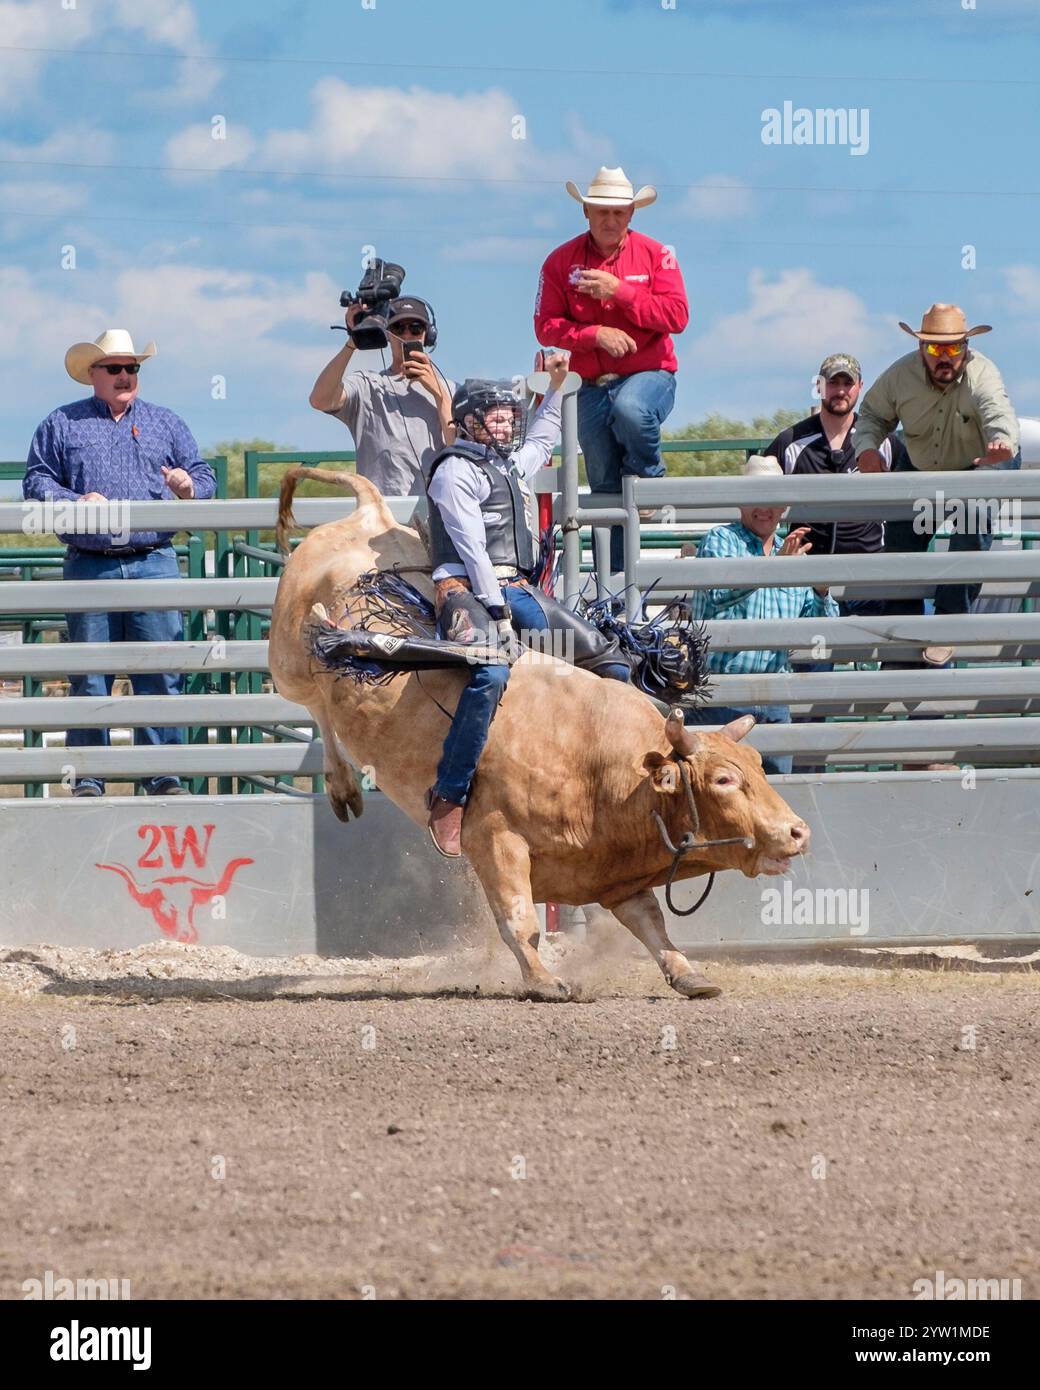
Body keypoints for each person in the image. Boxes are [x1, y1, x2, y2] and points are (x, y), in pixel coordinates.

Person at [424, 357, 631, 856]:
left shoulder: (510, 466)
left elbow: (547, 430)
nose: (506, 422)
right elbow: (471, 549)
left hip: (515, 589)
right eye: (494, 415)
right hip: (464, 591)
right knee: (490, 675)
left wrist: (558, 386)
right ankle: (450, 794)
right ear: (470, 422)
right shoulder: (455, 470)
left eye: (508, 415)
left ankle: (599, 779)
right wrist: (495, 613)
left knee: (611, 659)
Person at [23, 328, 216, 797]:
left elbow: (204, 475)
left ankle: (163, 776)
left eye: (133, 368)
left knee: (162, 674)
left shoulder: (166, 423)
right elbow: (36, 481)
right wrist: (74, 499)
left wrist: (188, 487)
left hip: (154, 557)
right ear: (94, 374)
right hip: (91, 562)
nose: (126, 375)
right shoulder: (61, 423)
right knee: (90, 677)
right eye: (115, 368)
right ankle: (89, 777)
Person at [534, 166, 688, 574]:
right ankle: (614, 587)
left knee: (632, 412)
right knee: (603, 484)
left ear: (632, 215)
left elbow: (677, 316)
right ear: (586, 212)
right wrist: (595, 334)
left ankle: (650, 480)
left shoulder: (658, 255)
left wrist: (619, 292)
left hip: (649, 375)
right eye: (602, 211)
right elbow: (544, 324)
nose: (610, 219)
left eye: (619, 212)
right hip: (588, 386)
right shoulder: (558, 262)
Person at [854, 303, 1020, 650]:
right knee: (900, 541)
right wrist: (867, 449)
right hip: (921, 467)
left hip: (978, 462)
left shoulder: (982, 374)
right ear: (920, 349)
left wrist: (1002, 442)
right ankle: (904, 638)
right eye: (934, 348)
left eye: (953, 348)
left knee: (973, 523)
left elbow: (997, 411)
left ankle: (948, 624)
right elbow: (871, 414)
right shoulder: (900, 376)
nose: (944, 356)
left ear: (966, 348)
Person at [686, 456, 839, 776]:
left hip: (774, 699)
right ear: (741, 500)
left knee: (775, 803)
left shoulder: (791, 552)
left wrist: (822, 592)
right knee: (719, 800)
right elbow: (718, 594)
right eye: (756, 497)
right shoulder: (720, 540)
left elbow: (817, 628)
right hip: (722, 695)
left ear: (783, 507)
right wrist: (774, 570)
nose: (764, 508)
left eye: (772, 499)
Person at [309, 295, 455, 497]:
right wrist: (353, 341)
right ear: (387, 334)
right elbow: (319, 400)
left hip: (437, 511)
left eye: (415, 328)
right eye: (398, 328)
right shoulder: (367, 385)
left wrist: (440, 396)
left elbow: (459, 451)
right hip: (381, 515)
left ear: (427, 335)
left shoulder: (452, 391)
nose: (406, 335)